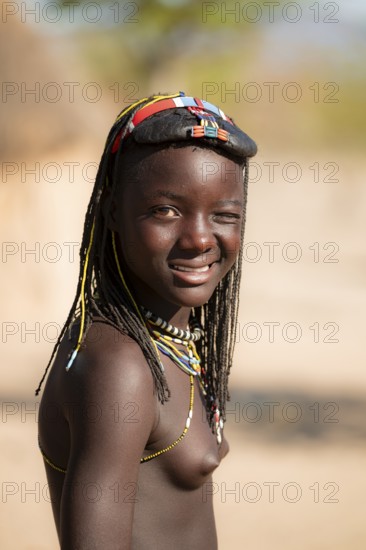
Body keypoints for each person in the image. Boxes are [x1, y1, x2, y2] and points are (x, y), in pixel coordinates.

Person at [36, 92, 257, 549]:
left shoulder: (166, 339)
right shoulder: (119, 366)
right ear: (113, 211)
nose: (199, 238)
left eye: (224, 215)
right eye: (166, 211)